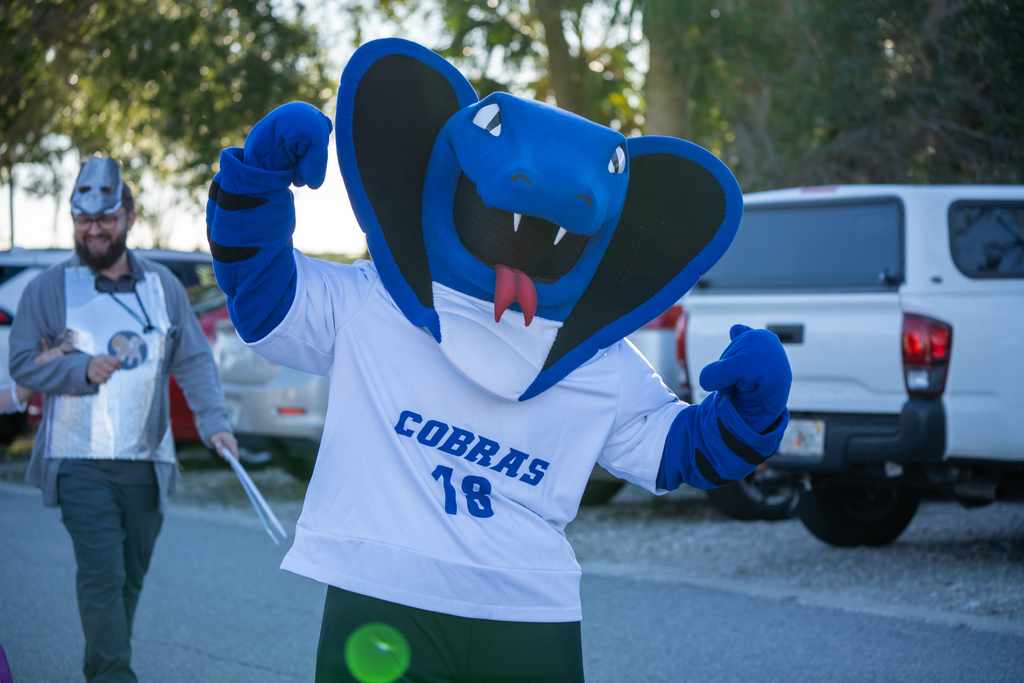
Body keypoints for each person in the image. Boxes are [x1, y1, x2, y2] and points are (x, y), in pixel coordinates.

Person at [209, 39, 791, 683]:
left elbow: (673, 451)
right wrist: (255, 183)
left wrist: (751, 415)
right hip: (392, 591)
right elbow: (267, 300)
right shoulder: (379, 302)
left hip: (521, 610)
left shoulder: (594, 358)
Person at [9, 156, 239, 683]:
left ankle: (102, 668)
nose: (94, 229)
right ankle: (115, 676)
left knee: (128, 579)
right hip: (77, 461)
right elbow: (22, 365)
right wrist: (79, 367)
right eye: (83, 219)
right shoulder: (48, 288)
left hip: (147, 462)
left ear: (129, 217)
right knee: (103, 574)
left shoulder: (162, 286)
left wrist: (214, 421)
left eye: (106, 218)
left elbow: (193, 359)